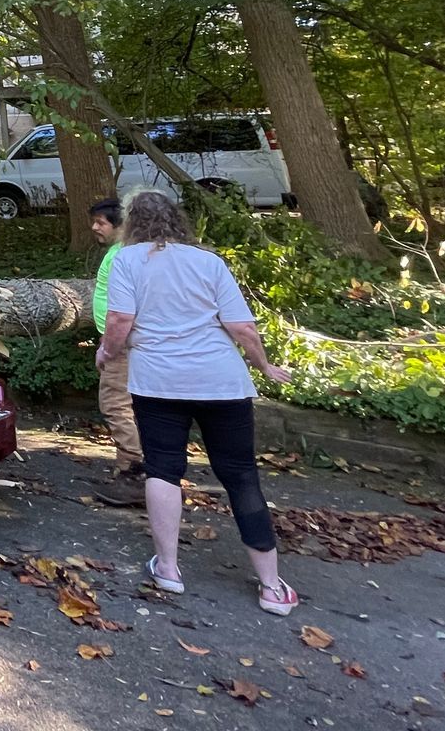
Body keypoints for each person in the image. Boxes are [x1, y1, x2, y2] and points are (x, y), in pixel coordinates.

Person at [95, 190, 299, 616]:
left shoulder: (127, 261)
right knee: (241, 475)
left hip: (159, 382)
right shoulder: (209, 262)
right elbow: (242, 327)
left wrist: (106, 352)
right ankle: (271, 587)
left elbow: (119, 321)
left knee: (164, 469)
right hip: (220, 382)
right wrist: (264, 366)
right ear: (176, 219)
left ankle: (168, 569)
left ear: (131, 222)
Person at [86, 199, 144, 507]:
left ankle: (133, 474)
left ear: (119, 225)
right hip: (120, 341)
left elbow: (123, 313)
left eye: (101, 222)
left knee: (115, 405)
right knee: (130, 405)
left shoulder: (123, 255)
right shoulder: (125, 252)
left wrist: (109, 346)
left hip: (121, 345)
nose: (95, 227)